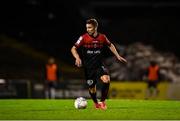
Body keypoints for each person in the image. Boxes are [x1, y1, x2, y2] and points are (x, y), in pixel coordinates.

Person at [71, 18, 127, 110]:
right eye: (87, 27)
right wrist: (77, 57)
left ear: (95, 27)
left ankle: (102, 101)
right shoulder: (83, 38)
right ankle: (96, 103)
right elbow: (73, 48)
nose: (87, 29)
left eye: (90, 27)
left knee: (106, 79)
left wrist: (117, 55)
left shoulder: (102, 37)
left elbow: (110, 45)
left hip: (99, 65)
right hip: (88, 68)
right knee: (92, 89)